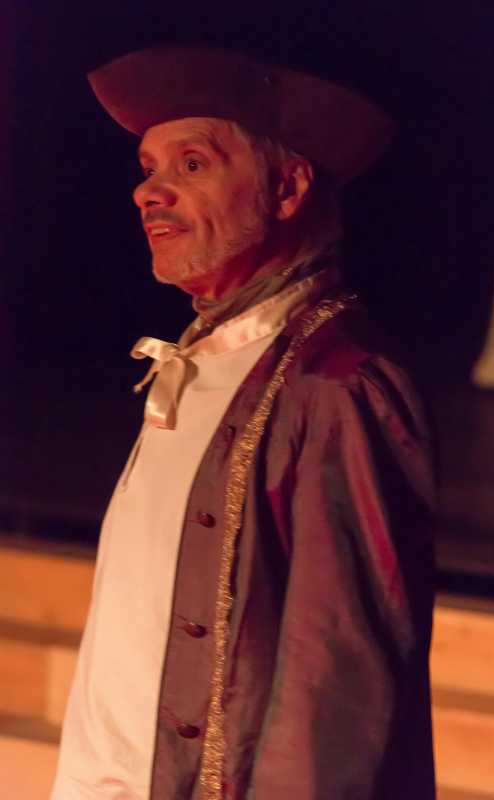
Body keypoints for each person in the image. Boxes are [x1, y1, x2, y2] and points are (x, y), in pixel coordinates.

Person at [51, 44, 436, 800]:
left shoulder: (335, 385)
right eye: (148, 168)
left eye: (191, 164)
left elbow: (334, 689)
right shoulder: (195, 363)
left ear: (287, 188)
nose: (148, 192)